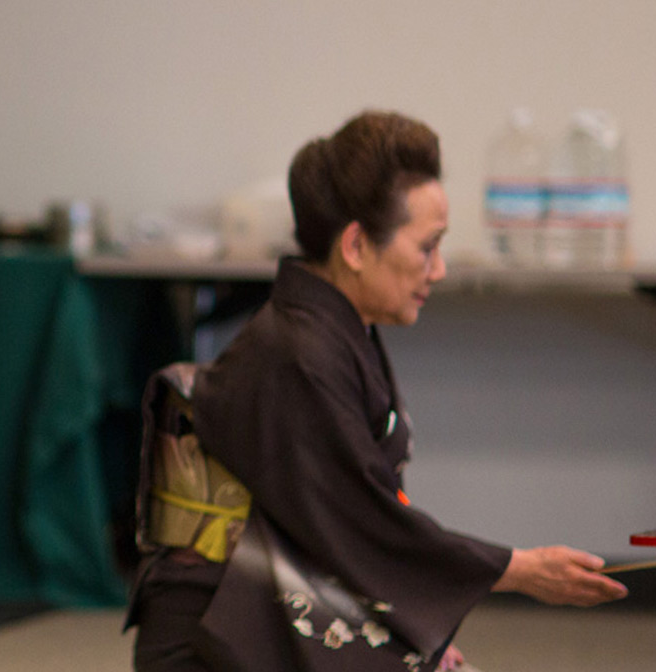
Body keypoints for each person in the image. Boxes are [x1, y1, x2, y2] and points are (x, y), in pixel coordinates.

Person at [125, 110, 629, 672]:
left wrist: (419, 633)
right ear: (357, 245)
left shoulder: (334, 331)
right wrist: (518, 569)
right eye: (426, 248)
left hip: (270, 601)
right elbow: (363, 524)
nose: (438, 270)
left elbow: (357, 520)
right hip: (215, 631)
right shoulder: (298, 355)